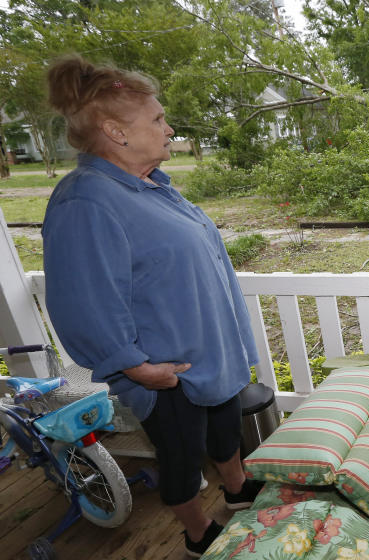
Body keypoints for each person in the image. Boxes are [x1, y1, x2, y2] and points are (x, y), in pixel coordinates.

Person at [42, 54, 261, 558]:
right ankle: (197, 532)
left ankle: (236, 489)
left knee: (225, 431)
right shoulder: (87, 201)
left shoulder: (153, 188)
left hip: (211, 354)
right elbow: (83, 300)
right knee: (181, 456)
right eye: (158, 119)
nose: (168, 127)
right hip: (171, 370)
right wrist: (139, 368)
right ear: (115, 131)